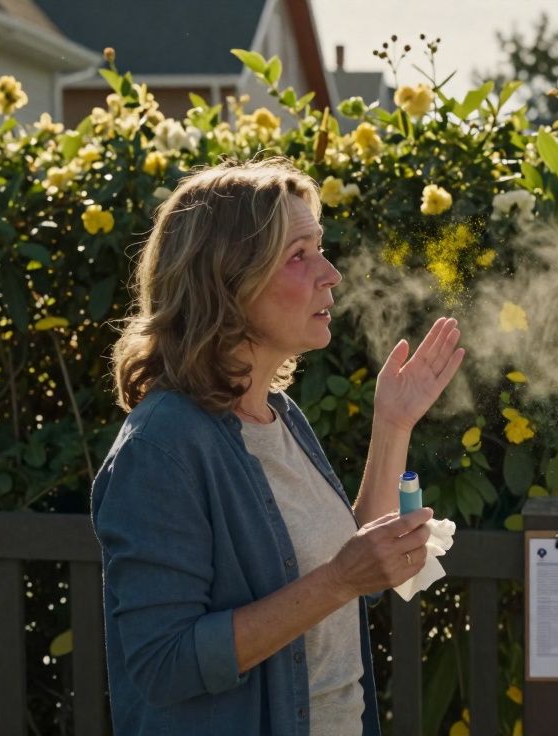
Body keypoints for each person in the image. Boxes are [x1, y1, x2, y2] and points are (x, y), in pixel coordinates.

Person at [92, 158, 465, 736]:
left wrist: (394, 424)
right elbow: (163, 663)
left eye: (321, 249)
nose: (330, 273)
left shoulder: (279, 416)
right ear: (227, 280)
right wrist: (339, 579)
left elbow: (347, 576)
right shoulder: (161, 447)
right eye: (298, 255)